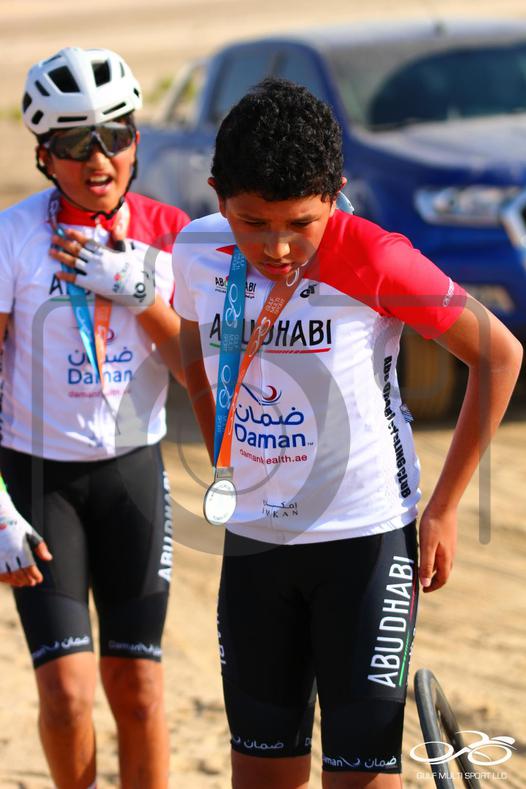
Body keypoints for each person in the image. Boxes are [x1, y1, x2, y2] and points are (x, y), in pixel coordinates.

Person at [171, 78, 523, 788]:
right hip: (256, 546)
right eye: (253, 221)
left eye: (300, 223)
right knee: (260, 776)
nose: (277, 246)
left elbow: (498, 355)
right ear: (217, 197)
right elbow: (192, 346)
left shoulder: (374, 256)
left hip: (365, 543)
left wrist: (445, 507)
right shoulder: (197, 250)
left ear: (335, 195)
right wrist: (224, 456)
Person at [0, 47, 189, 789]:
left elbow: (201, 374)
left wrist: (142, 292)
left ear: (136, 140)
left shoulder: (172, 233)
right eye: (76, 143)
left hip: (133, 475)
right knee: (67, 694)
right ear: (45, 156)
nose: (99, 158)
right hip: (38, 480)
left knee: (138, 692)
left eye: (115, 135)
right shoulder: (14, 237)